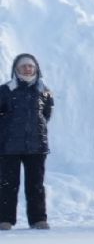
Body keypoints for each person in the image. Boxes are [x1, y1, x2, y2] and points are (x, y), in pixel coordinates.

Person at [0, 53, 54, 229]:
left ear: (36, 69)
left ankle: (38, 219)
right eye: (23, 66)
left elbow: (46, 114)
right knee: (8, 185)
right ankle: (5, 219)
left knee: (36, 185)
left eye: (30, 66)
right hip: (9, 147)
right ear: (16, 69)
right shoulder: (5, 90)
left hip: (37, 146)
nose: (27, 69)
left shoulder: (44, 91)